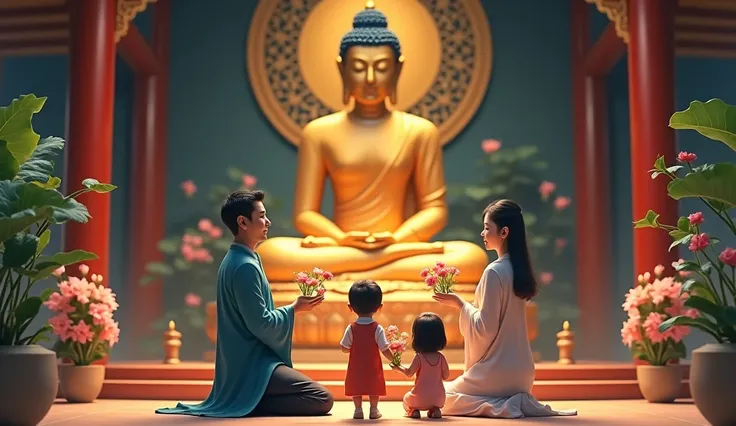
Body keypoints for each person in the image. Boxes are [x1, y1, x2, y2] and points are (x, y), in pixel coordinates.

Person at [155, 190, 334, 418]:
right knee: (321, 399)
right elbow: (260, 323)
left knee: (315, 397)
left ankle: (249, 400)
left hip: (248, 361)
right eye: (261, 216)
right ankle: (249, 402)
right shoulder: (244, 266)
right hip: (252, 364)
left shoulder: (243, 258)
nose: (268, 222)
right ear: (243, 222)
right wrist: (295, 308)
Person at [432, 199, 577, 418]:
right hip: (523, 375)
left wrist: (460, 304)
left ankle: (501, 406)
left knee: (436, 398)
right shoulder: (519, 270)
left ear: (504, 232)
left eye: (487, 228)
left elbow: (484, 329)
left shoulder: (494, 272)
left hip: (497, 373)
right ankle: (513, 400)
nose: (482, 233)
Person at [340, 280, 394, 419]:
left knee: (356, 383)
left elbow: (344, 348)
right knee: (373, 384)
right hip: (373, 366)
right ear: (379, 307)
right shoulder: (377, 328)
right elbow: (384, 348)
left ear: (350, 307)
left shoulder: (351, 328)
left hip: (355, 365)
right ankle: (374, 410)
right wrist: (395, 359)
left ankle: (358, 410)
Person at [391, 312, 450, 419]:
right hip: (439, 398)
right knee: (435, 402)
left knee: (406, 398)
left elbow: (409, 373)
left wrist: (397, 367)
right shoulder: (441, 357)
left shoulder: (419, 357)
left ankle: (413, 411)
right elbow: (446, 376)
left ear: (417, 337)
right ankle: (435, 409)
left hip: (419, 398)